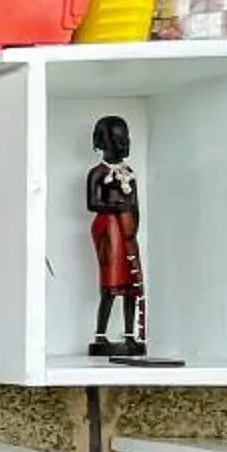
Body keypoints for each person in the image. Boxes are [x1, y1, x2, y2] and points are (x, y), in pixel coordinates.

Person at [87, 114, 146, 359]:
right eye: (118, 141)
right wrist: (118, 210)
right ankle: (101, 335)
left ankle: (130, 334)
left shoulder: (128, 172)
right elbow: (92, 203)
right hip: (109, 228)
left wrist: (132, 226)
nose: (124, 145)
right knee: (111, 284)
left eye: (126, 140)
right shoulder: (98, 173)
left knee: (131, 285)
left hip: (127, 230)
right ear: (102, 143)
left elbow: (134, 202)